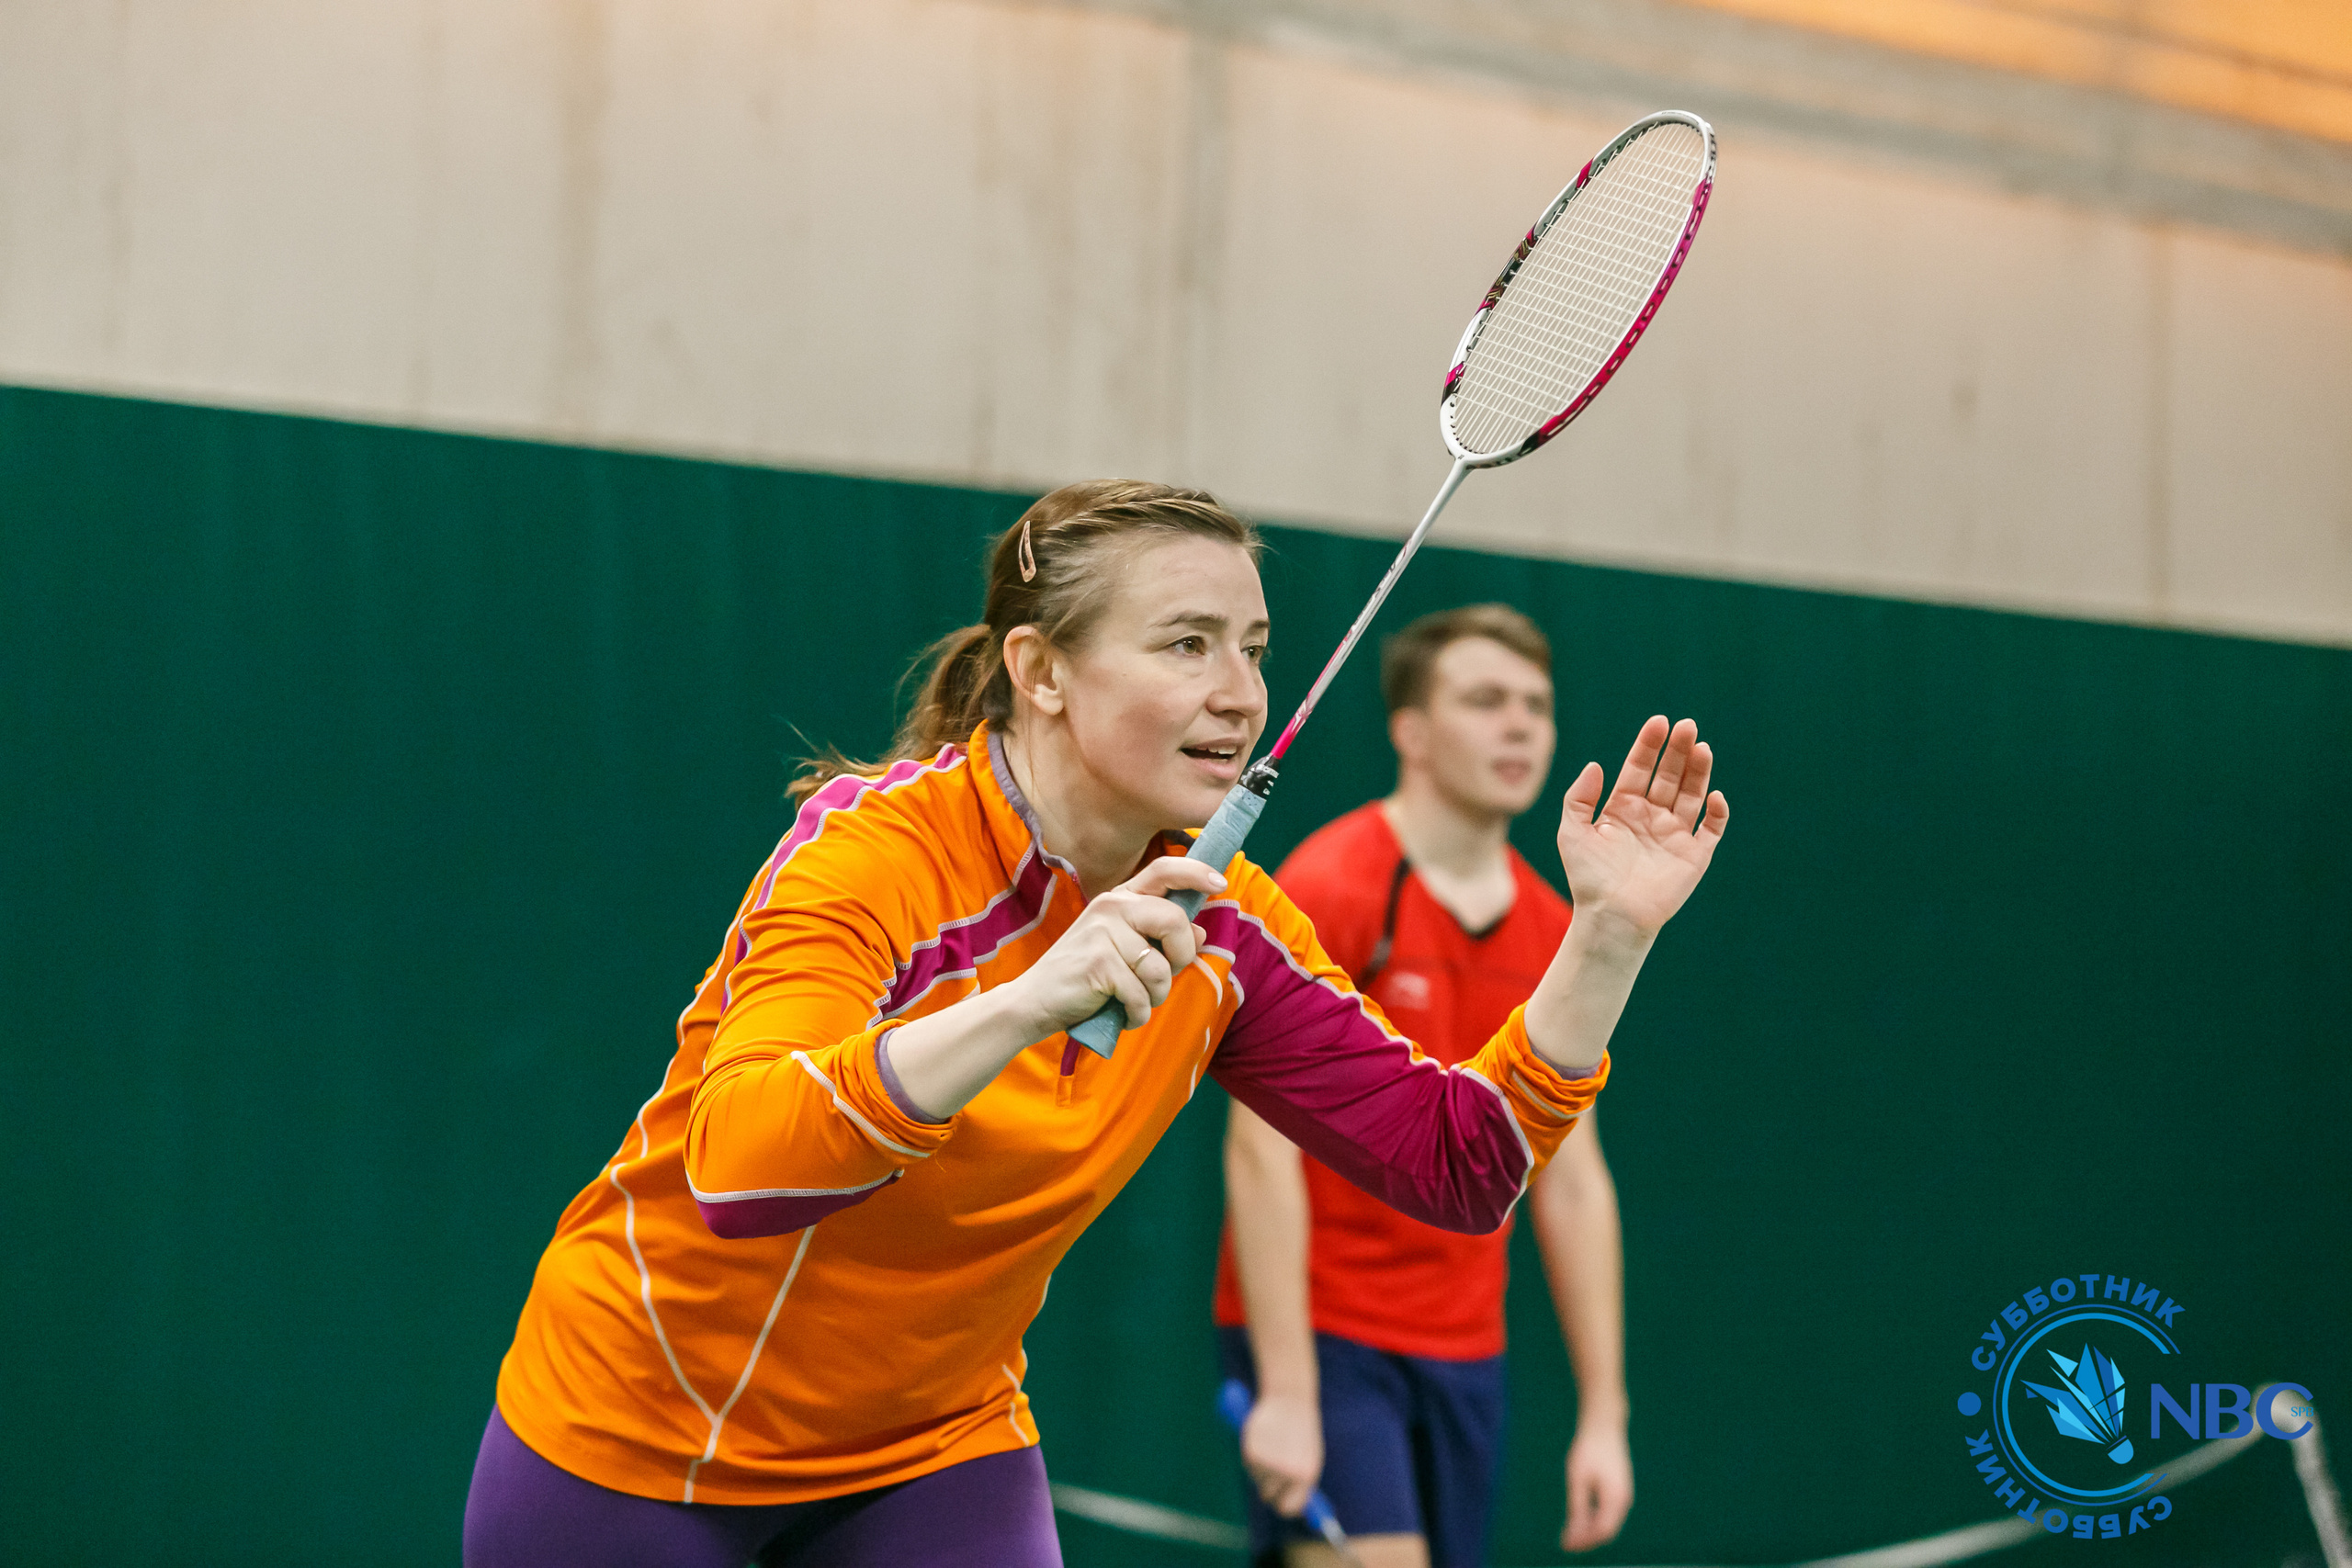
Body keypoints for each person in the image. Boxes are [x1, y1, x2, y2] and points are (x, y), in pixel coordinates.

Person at [462, 480, 1728, 1568]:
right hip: (646, 1423)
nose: (1239, 691)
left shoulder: (1222, 927)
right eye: (1186, 643)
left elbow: (1462, 1161)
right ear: (1041, 671)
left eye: (1255, 644)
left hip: (929, 1438)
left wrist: (1606, 935)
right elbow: (743, 1161)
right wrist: (1024, 1001)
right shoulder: (875, 853)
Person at [1216, 605, 1634, 1568]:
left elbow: (1569, 1179)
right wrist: (1287, 1387)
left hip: (1462, 1351)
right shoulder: (1335, 883)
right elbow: (1258, 1148)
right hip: (1327, 1335)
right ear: (1410, 732)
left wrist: (1603, 1414)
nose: (1520, 725)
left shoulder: (1550, 928)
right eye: (1485, 701)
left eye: (1536, 704)